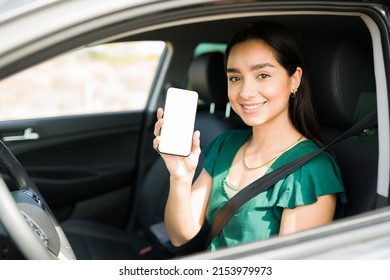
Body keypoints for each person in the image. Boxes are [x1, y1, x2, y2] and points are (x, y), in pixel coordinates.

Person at [153, 21, 346, 251]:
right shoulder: (225, 144)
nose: (245, 92)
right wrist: (180, 178)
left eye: (263, 75)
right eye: (235, 78)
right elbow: (179, 235)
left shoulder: (311, 172)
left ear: (294, 79)